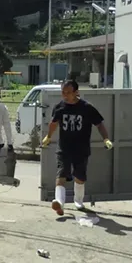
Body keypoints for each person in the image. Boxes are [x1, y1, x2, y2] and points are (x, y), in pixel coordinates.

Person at [42, 78, 112, 215]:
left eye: (68, 92)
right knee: (61, 173)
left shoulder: (86, 108)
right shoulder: (60, 107)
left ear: (76, 92)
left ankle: (78, 201)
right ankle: (59, 202)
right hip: (64, 148)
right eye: (63, 92)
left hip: (81, 148)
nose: (65, 95)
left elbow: (99, 124)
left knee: (80, 176)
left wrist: (106, 139)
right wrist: (48, 136)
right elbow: (53, 123)